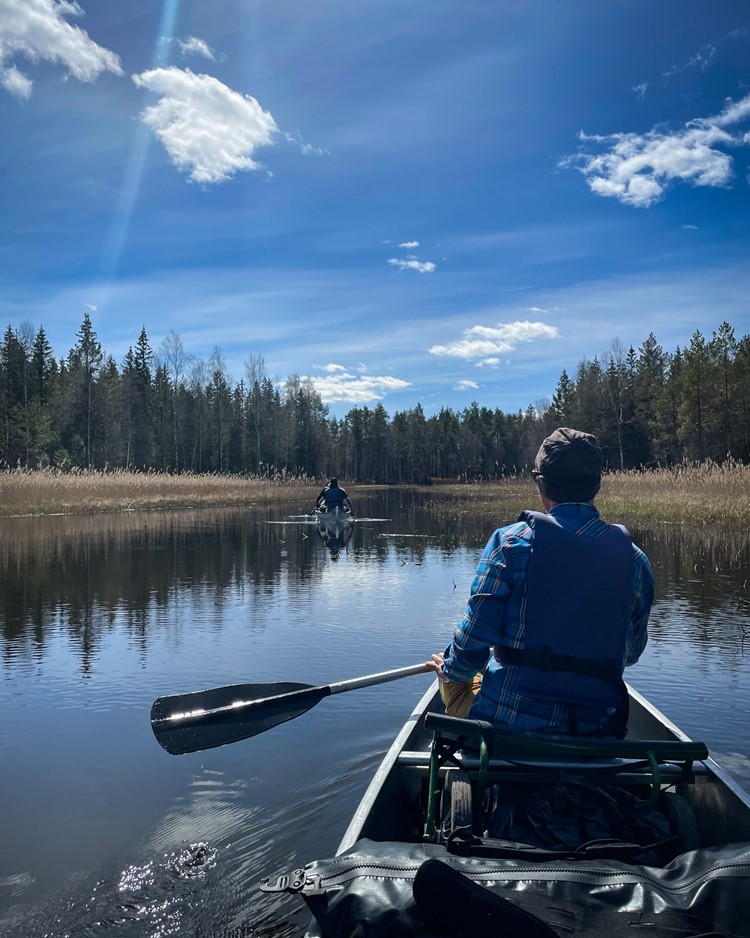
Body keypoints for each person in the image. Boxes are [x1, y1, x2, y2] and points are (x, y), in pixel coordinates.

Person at [427, 427, 654, 738]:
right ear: (597, 485)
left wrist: (449, 669)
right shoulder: (635, 560)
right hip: (596, 733)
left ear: (541, 484)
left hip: (507, 728)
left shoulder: (510, 544)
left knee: (454, 675)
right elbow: (629, 654)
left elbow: (469, 651)